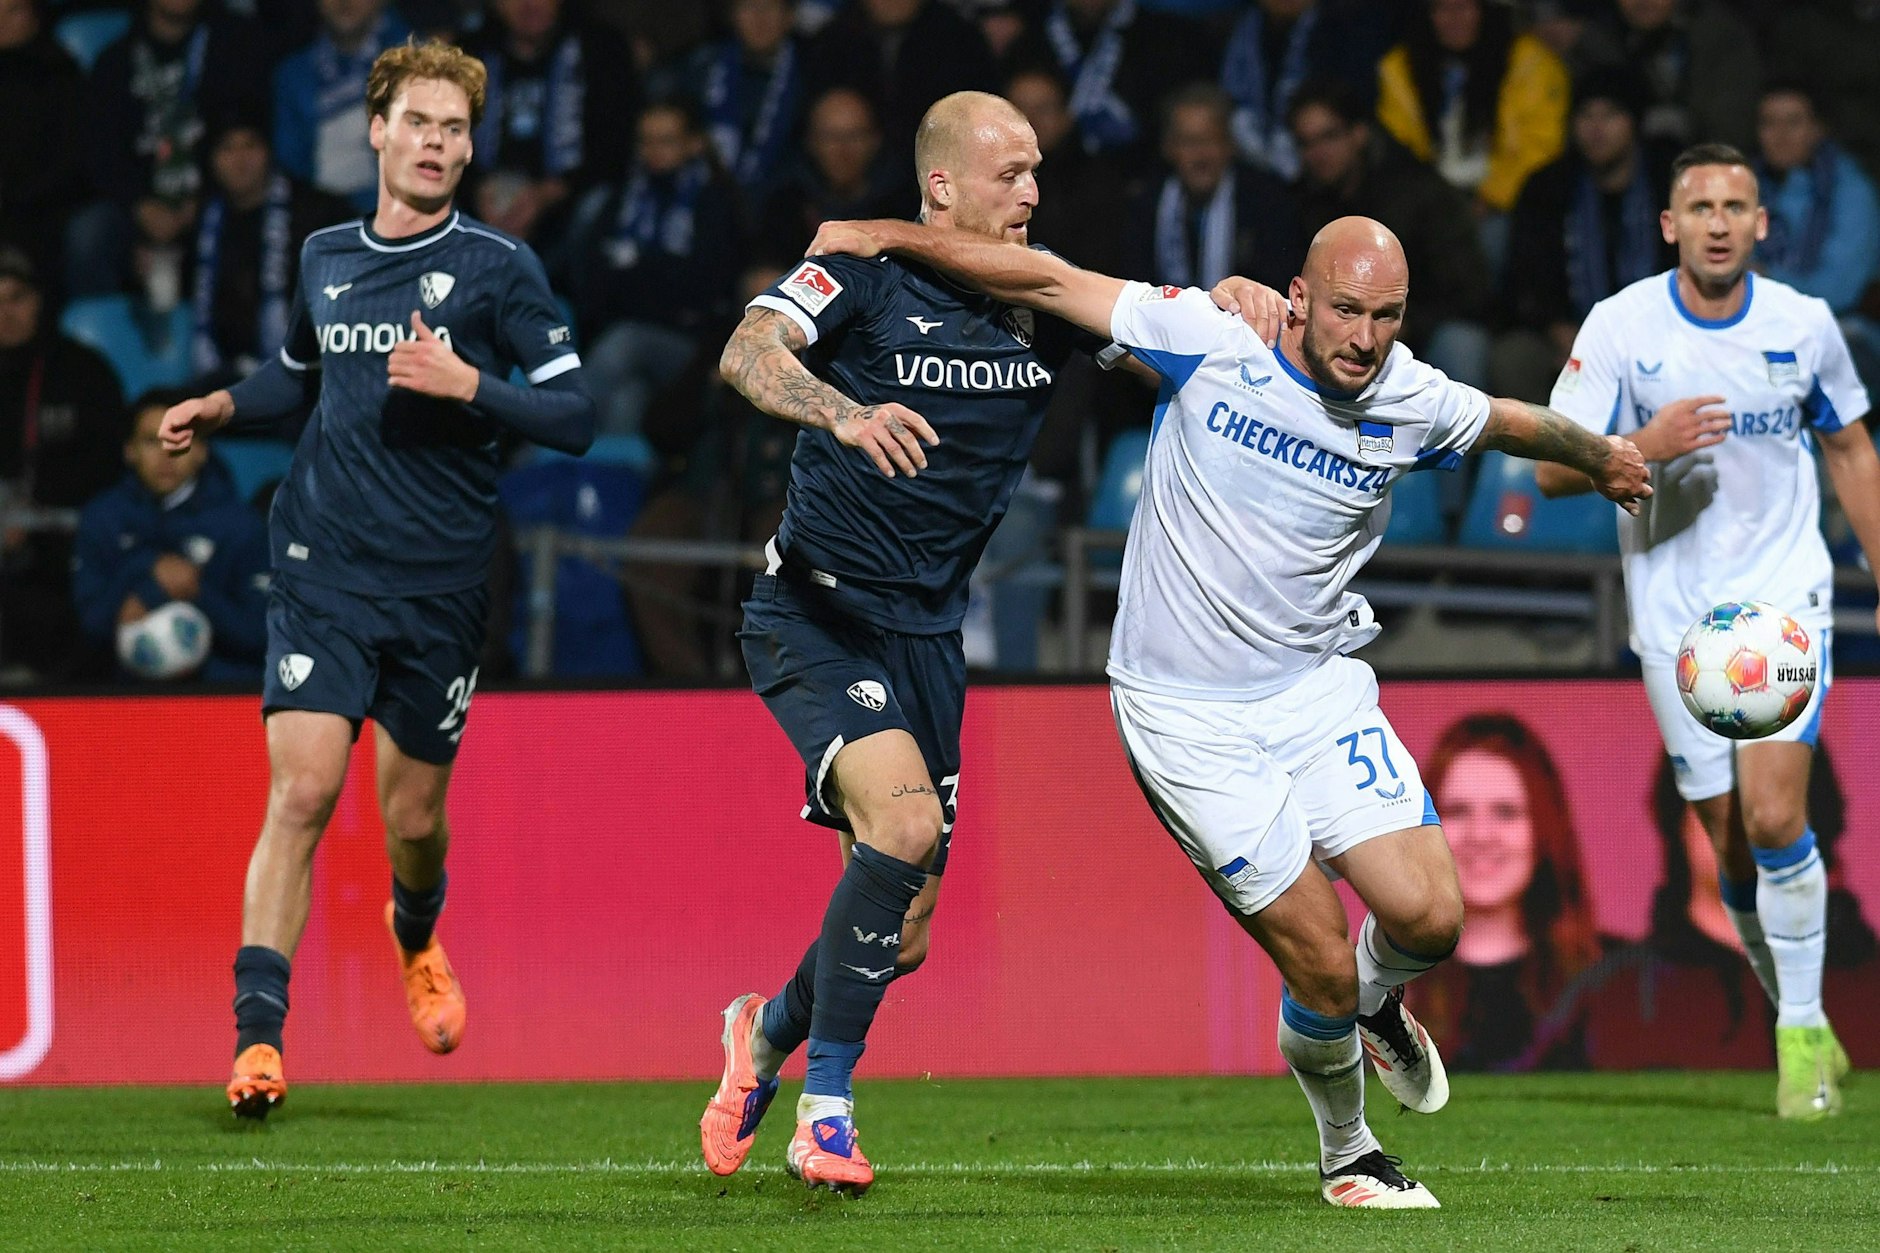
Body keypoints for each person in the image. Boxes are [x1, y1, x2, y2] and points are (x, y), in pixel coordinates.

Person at [804, 211, 1648, 1205]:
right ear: (1298, 297)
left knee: (1430, 917)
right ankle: (1349, 1152)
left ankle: (1376, 1000)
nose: (1364, 337)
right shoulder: (1207, 340)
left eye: (1385, 316)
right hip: (1186, 717)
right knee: (1318, 960)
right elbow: (1041, 279)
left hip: (1314, 689)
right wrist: (886, 235)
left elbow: (1511, 421)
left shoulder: (1409, 398)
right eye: (1345, 310)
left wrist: (1601, 457)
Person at [696, 89, 1287, 1194]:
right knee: (904, 824)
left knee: (905, 929)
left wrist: (1231, 302)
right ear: (942, 187)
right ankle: (826, 1110)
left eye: (1036, 173)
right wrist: (841, 412)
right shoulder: (863, 274)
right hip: (817, 614)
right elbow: (748, 349)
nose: (1030, 193)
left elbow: (1167, 339)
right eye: (1009, 174)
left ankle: (762, 1032)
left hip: (928, 636)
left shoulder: (1039, 296)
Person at [157, 38, 596, 1120]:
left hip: (439, 587)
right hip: (322, 565)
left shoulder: (499, 267)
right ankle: (259, 1037)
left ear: (469, 147)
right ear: (378, 132)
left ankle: (415, 928)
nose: (437, 143)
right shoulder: (324, 254)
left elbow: (576, 414)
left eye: (455, 128)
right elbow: (297, 376)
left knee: (412, 818)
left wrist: (468, 382)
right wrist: (223, 406)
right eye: (420, 123)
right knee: (303, 790)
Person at [1539, 142, 1880, 1119]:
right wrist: (1642, 444)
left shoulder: (1804, 324)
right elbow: (1551, 469)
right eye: (1700, 207)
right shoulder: (1621, 325)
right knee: (1731, 852)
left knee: (1774, 816)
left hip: (1781, 604)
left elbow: (1850, 449)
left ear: (1761, 224)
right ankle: (1795, 1008)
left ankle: (1801, 1032)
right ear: (1669, 226)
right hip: (1672, 615)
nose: (1718, 223)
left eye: (1735, 207)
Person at [1411, 712, 1602, 1071]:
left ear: (1544, 828)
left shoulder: (1614, 984)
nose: (1481, 835)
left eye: (1506, 812)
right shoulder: (1376, 991)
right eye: (1457, 811)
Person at [554, 98, 743, 438]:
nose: (654, 151)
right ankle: (612, 470)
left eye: (666, 140)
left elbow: (703, 288)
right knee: (627, 400)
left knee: (624, 343)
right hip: (623, 333)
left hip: (691, 346)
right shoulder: (624, 197)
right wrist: (656, 274)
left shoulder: (713, 200)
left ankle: (552, 439)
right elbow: (594, 279)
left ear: (694, 143)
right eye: (647, 141)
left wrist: (637, 268)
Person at [1491, 69, 1674, 404]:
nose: (1596, 128)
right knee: (1515, 357)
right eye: (1586, 115)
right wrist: (1559, 331)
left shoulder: (1667, 184)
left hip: (1662, 333)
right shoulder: (1548, 187)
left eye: (1610, 115)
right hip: (1568, 335)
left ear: (1634, 123)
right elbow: (1525, 280)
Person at [71, 387, 270, 681]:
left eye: (180, 439)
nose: (166, 454)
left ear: (201, 451)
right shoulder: (102, 517)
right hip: (123, 694)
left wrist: (196, 593)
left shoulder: (241, 525)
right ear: (130, 451)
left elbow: (260, 635)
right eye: (152, 441)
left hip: (218, 693)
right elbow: (87, 629)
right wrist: (146, 569)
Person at [0, 246, 125, 680]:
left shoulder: (83, 372)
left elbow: (111, 466)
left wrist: (35, 516)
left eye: (16, 298)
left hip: (64, 545)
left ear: (39, 301)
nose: (5, 313)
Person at [190, 112, 356, 385]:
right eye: (227, 148)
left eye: (250, 145)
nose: (240, 159)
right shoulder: (202, 222)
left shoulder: (320, 213)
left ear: (269, 151)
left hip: (311, 375)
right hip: (223, 376)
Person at [1121, 83, 1304, 294]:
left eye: (1211, 140)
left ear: (1230, 145)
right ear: (1168, 148)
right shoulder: (1146, 205)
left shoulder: (1267, 202)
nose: (1201, 155)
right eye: (1189, 142)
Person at [271, 0, 413, 214]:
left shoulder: (418, 63)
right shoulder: (293, 76)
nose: (344, 2)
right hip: (322, 219)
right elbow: (291, 166)